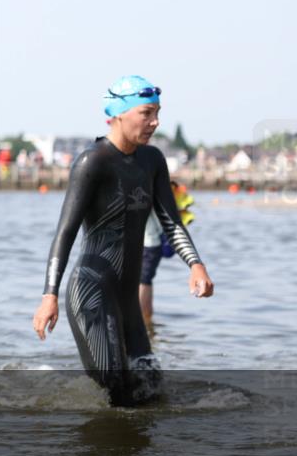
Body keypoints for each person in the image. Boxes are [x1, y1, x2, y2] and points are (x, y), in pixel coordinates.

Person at [32, 76, 214, 406]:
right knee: (117, 395)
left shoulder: (152, 161)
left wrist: (195, 264)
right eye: (146, 113)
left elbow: (171, 221)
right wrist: (50, 295)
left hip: (127, 300)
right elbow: (66, 232)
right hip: (91, 292)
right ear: (120, 114)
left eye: (157, 113)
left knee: (152, 389)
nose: (155, 122)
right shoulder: (93, 161)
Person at [139, 181, 196, 330]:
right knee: (146, 281)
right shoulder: (163, 191)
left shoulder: (149, 191)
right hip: (154, 242)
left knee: (143, 281)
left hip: (150, 242)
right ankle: (147, 322)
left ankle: (144, 321)